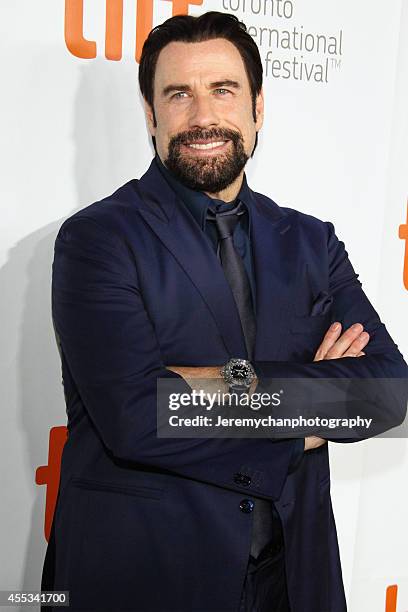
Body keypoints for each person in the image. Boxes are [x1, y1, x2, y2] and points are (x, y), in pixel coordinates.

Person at [41, 11, 408, 612]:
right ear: (150, 111)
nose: (203, 116)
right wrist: (305, 422)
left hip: (291, 578)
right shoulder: (98, 239)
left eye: (223, 90)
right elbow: (138, 414)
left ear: (258, 107)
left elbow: (389, 392)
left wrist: (199, 383)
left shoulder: (312, 243)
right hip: (149, 576)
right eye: (178, 94)